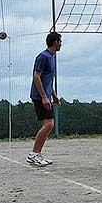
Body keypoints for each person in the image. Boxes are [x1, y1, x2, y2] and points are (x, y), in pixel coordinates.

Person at [26, 32, 62, 167]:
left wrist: (53, 95)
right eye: (60, 41)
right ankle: (34, 154)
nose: (61, 44)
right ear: (55, 42)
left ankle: (37, 154)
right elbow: (36, 76)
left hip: (46, 95)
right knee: (49, 124)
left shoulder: (52, 57)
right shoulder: (43, 57)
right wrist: (44, 97)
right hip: (39, 96)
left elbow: (47, 80)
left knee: (48, 124)